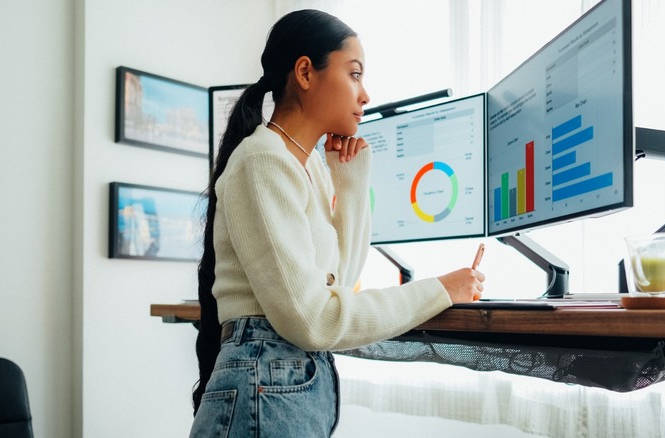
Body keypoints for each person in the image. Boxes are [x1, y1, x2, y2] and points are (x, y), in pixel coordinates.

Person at [190, 9, 485, 437]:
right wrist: (440, 290)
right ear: (306, 72)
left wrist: (349, 182)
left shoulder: (302, 165)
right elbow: (315, 319)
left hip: (282, 384)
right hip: (264, 384)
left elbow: (338, 285)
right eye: (355, 74)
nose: (365, 95)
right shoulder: (263, 162)